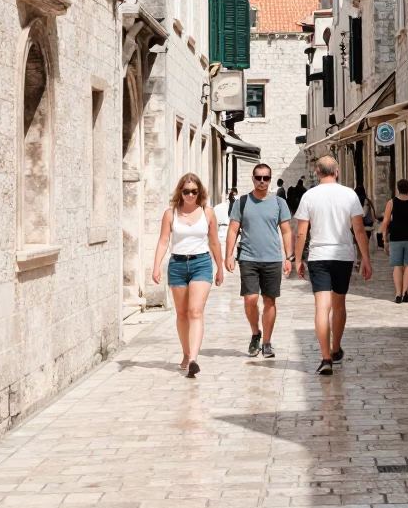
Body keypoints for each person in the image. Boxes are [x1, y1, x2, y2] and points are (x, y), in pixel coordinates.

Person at [294, 155, 372, 375]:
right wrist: (365, 258)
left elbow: (301, 232)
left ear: (317, 172)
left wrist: (298, 259)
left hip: (319, 256)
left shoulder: (309, 196)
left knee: (321, 307)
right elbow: (358, 229)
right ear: (337, 171)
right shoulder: (349, 195)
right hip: (343, 255)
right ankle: (336, 348)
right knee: (339, 304)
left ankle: (325, 357)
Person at [151, 173, 225, 378]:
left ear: (199, 192)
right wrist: (156, 266)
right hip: (177, 264)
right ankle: (185, 353)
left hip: (201, 263)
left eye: (194, 191)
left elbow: (214, 242)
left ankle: (193, 358)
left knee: (195, 311)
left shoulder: (207, 213)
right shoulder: (170, 213)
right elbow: (164, 241)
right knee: (182, 314)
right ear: (180, 192)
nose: (190, 195)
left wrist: (219, 267)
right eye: (186, 191)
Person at [226, 162, 294, 359]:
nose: (262, 181)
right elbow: (233, 229)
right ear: (253, 179)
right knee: (250, 299)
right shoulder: (242, 202)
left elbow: (287, 231)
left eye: (265, 178)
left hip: (272, 258)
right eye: (258, 178)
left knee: (269, 300)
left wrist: (289, 257)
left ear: (270, 180)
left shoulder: (279, 203)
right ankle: (256, 333)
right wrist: (228, 254)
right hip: (248, 257)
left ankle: (266, 342)